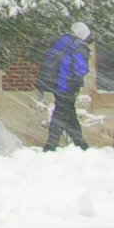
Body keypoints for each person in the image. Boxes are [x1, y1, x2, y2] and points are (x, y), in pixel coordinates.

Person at [41, 22, 93, 151]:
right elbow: (80, 69)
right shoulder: (78, 46)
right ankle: (51, 145)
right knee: (61, 113)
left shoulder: (62, 42)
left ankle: (80, 143)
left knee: (67, 112)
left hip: (55, 83)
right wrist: (77, 79)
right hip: (68, 84)